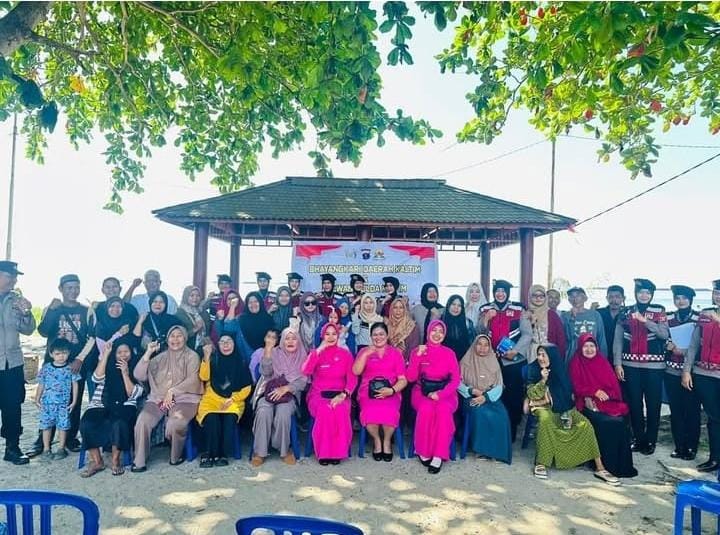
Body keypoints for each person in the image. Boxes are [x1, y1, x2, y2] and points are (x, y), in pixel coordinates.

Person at [527, 345, 619, 485]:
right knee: (546, 420)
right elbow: (532, 394)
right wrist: (543, 380)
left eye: (544, 355)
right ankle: (541, 463)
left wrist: (560, 406)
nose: (540, 358)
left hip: (564, 406)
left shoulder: (560, 369)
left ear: (552, 356)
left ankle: (600, 468)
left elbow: (567, 393)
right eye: (539, 354)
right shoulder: (533, 369)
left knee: (585, 425)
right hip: (543, 408)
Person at [31, 274, 94, 456]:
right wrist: (52, 310)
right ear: (61, 289)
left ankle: (70, 438)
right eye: (69, 288)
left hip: (75, 364)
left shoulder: (86, 311)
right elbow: (43, 331)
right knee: (49, 401)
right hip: (53, 365)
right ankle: (43, 440)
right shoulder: (51, 308)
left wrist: (80, 359)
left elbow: (91, 337)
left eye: (76, 287)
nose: (73, 291)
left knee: (73, 401)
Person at [131, 326, 202, 471]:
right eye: (172, 336)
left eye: (179, 336)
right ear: (167, 339)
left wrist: (173, 391)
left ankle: (176, 455)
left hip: (184, 400)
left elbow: (193, 379)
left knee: (175, 423)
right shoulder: (159, 358)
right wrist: (148, 353)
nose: (175, 339)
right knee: (143, 420)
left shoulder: (192, 356)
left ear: (185, 338)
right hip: (160, 400)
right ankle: (140, 460)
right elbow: (139, 375)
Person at [568, 333, 637, 478]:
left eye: (592, 346)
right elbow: (575, 386)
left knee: (619, 420)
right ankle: (602, 464)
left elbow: (614, 388)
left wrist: (605, 395)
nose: (589, 349)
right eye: (585, 346)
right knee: (606, 422)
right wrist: (594, 391)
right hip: (586, 402)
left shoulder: (602, 361)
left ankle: (621, 466)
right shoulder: (576, 362)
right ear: (580, 347)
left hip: (606, 402)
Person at [613, 278, 669, 455]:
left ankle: (651, 440)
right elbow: (618, 340)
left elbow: (664, 334)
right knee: (634, 404)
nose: (644, 295)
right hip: (630, 365)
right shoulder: (626, 311)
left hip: (654, 366)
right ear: (635, 293)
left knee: (653, 404)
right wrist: (617, 363)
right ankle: (638, 439)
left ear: (651, 295)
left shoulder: (659, 310)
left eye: (647, 293)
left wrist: (645, 321)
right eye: (640, 292)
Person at [78, 341, 144, 476]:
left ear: (131, 353)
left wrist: (125, 373)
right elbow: (96, 378)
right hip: (100, 403)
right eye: (119, 352)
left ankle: (115, 461)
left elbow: (132, 393)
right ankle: (97, 461)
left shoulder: (136, 369)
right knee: (86, 423)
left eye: (126, 352)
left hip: (125, 404)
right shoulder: (107, 365)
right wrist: (106, 354)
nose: (123, 355)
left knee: (119, 423)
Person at [477, 279, 531, 443]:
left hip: (513, 361)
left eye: (503, 291)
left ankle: (511, 430)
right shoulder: (485, 309)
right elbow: (478, 332)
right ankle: (492, 431)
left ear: (507, 293)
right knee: (491, 394)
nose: (500, 294)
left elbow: (527, 334)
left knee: (513, 396)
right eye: (497, 291)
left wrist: (515, 351)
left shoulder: (518, 309)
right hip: (490, 360)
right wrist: (486, 319)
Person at [406, 320, 461, 474]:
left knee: (443, 411)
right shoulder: (418, 351)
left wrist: (440, 394)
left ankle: (439, 454)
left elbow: (456, 380)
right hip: (421, 392)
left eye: (440, 331)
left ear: (444, 335)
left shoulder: (449, 353)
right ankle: (423, 450)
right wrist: (417, 357)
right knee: (426, 410)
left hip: (445, 393)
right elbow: (410, 378)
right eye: (434, 330)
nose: (437, 334)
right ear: (428, 332)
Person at [301, 323, 357, 465]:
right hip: (318, 394)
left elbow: (352, 378)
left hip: (341, 394)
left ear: (338, 336)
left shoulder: (345, 354)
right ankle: (324, 452)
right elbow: (306, 371)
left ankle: (338, 452)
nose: (331, 337)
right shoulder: (316, 353)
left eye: (334, 334)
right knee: (325, 410)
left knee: (339, 409)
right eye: (327, 334)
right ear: (322, 336)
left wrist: (344, 394)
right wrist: (318, 350)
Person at [251, 328, 308, 466]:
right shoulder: (274, 353)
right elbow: (265, 372)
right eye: (287, 338)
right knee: (264, 411)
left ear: (298, 341)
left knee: (283, 412)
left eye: (293, 338)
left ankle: (283, 450)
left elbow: (303, 382)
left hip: (290, 394)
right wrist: (268, 351)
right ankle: (260, 452)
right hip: (269, 392)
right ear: (282, 341)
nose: (290, 341)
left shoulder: (302, 356)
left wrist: (286, 388)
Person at [353, 323, 408, 461]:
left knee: (390, 412)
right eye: (375, 335)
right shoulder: (364, 351)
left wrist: (392, 390)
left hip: (391, 391)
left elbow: (403, 380)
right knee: (369, 412)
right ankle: (377, 440)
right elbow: (356, 371)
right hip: (368, 392)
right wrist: (366, 354)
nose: (378, 337)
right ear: (371, 337)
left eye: (381, 334)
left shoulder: (395, 353)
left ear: (387, 335)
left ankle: (387, 441)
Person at [196, 336, 253, 467]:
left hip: (233, 400)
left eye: (229, 341)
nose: (226, 345)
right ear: (218, 345)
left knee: (229, 419)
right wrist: (206, 357)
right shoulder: (213, 360)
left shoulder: (241, 362)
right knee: (211, 418)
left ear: (234, 344)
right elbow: (204, 377)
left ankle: (222, 453)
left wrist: (232, 399)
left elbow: (247, 388)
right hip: (211, 399)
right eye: (222, 342)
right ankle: (208, 453)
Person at [0, 260, 35, 465]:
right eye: (10, 276)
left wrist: (26, 313)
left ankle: (12, 448)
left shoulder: (17, 300)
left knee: (12, 406)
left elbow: (29, 329)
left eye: (15, 277)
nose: (14, 280)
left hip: (12, 363)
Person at [683, 279, 720, 472]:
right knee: (713, 417)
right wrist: (686, 370)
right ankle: (714, 458)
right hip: (704, 374)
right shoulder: (705, 315)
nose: (718, 296)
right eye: (716, 292)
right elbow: (693, 345)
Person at [460, 335, 512, 463]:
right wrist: (472, 391)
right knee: (481, 412)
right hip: (470, 396)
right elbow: (457, 383)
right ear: (474, 345)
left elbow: (499, 385)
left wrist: (486, 397)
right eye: (479, 344)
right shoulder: (465, 361)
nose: (482, 348)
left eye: (486, 345)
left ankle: (498, 451)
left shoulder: (493, 362)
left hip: (490, 397)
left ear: (489, 347)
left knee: (502, 415)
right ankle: (482, 450)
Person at [664, 285, 701, 460]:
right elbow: (662, 337)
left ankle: (691, 446)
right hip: (671, 370)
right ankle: (679, 445)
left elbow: (702, 344)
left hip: (692, 371)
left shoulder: (699, 318)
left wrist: (684, 351)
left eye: (685, 298)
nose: (681, 301)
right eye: (677, 298)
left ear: (690, 300)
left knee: (692, 410)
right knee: (676, 410)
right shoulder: (668, 317)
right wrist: (668, 345)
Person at [35, 338, 82, 461]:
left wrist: (74, 401)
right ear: (51, 354)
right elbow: (41, 384)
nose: (61, 356)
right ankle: (46, 449)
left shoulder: (70, 368)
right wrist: (37, 399)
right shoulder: (46, 368)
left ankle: (61, 448)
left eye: (64, 353)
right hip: (47, 403)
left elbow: (75, 385)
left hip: (63, 404)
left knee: (63, 426)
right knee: (46, 426)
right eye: (57, 353)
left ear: (69, 353)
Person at [564, 287, 607, 363]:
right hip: (573, 358)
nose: (575, 299)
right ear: (569, 300)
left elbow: (601, 338)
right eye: (572, 296)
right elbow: (566, 338)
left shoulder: (595, 315)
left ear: (585, 298)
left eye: (578, 295)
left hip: (592, 356)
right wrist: (572, 319)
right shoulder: (565, 316)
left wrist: (603, 359)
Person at [525, 284, 566, 360]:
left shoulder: (552, 314)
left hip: (549, 353)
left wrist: (560, 357)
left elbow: (561, 338)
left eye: (541, 296)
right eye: (535, 296)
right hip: (531, 354)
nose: (538, 298)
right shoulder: (526, 314)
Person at [596, 285, 625, 365]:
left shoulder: (627, 314)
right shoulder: (598, 313)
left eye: (617, 297)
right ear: (607, 298)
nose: (614, 300)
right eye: (611, 297)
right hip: (602, 355)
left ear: (623, 298)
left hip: (622, 357)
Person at [176, 285, 209, 353]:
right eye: (192, 295)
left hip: (204, 349)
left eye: (198, 296)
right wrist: (195, 329)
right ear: (186, 297)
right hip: (186, 350)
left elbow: (208, 332)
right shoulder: (180, 313)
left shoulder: (204, 313)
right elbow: (177, 336)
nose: (195, 298)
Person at [441, 295, 475, 360]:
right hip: (443, 360)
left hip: (463, 361)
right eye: (453, 304)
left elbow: (471, 345)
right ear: (448, 305)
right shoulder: (440, 322)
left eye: (459, 305)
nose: (456, 307)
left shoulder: (467, 323)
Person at [386, 297, 420, 362]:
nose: (398, 310)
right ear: (391, 309)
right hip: (390, 362)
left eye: (401, 307)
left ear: (405, 309)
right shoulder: (387, 326)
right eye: (395, 307)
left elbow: (414, 349)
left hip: (407, 363)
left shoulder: (412, 326)